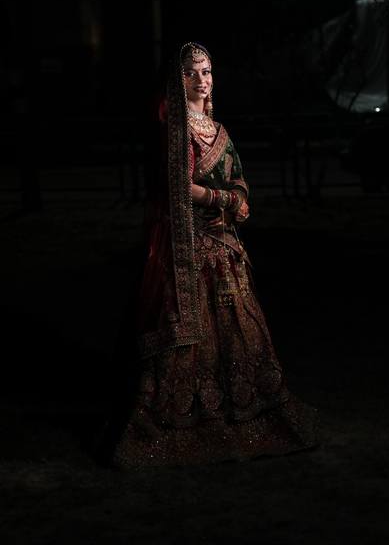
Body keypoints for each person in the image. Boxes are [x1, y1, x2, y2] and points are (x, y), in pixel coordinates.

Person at [94, 42, 320, 470]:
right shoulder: (176, 132)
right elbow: (179, 190)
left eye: (207, 71)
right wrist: (225, 201)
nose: (202, 79)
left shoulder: (219, 130)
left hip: (227, 250)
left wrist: (234, 202)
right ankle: (183, 415)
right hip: (191, 252)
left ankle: (248, 407)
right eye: (192, 72)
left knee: (243, 333)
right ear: (177, 81)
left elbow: (241, 183)